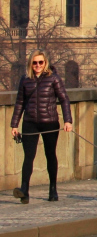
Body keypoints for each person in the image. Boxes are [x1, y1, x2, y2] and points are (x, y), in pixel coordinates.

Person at [8, 51, 72, 204]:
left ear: (45, 64)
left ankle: (53, 189)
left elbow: (64, 99)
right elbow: (19, 103)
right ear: (30, 64)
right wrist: (14, 124)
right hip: (30, 122)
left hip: (49, 121)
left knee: (50, 154)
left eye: (40, 63)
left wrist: (67, 121)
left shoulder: (53, 78)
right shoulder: (25, 79)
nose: (37, 66)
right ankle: (24, 190)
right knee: (28, 156)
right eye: (35, 63)